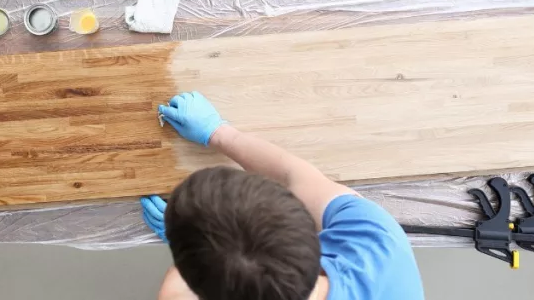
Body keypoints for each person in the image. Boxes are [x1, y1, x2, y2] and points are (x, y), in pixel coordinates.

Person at [140, 91, 424, 300]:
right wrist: (220, 133)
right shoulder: (377, 242)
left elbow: (178, 290)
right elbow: (292, 174)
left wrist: (191, 244)